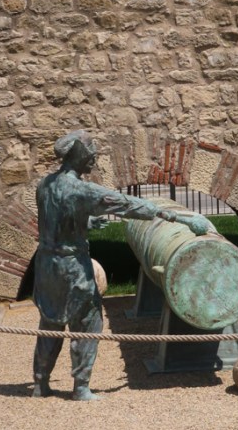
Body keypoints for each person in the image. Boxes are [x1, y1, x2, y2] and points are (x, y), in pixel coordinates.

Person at [32, 130, 207, 401]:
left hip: (46, 267)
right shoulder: (82, 189)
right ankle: (81, 387)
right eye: (91, 153)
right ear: (78, 155)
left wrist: (86, 222)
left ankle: (40, 384)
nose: (94, 157)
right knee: (88, 323)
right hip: (71, 269)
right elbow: (127, 205)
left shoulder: (44, 184)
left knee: (50, 322)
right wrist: (179, 218)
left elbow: (53, 221)